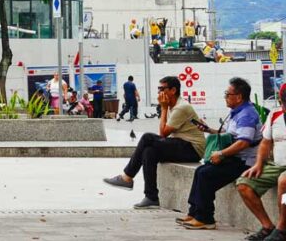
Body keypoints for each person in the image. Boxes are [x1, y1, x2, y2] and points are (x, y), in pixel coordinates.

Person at [102, 75, 204, 208]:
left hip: (192, 149)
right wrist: (165, 108)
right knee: (149, 152)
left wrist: (163, 108)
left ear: (173, 90)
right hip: (180, 143)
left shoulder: (181, 107)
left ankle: (127, 177)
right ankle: (151, 197)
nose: (159, 92)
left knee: (147, 137)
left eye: (162, 88)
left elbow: (163, 134)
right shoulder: (172, 105)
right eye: (158, 89)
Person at [178, 77, 261, 231]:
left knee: (206, 175)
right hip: (234, 158)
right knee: (200, 171)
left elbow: (244, 142)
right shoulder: (237, 112)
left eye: (227, 94)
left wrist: (221, 154)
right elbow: (228, 134)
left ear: (239, 97)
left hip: (244, 162)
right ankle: (195, 212)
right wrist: (208, 130)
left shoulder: (247, 115)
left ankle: (206, 219)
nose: (225, 97)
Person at [235, 83, 286, 240]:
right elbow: (265, 142)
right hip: (277, 164)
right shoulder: (275, 115)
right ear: (280, 101)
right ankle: (267, 226)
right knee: (244, 183)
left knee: (284, 182)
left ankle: (282, 229)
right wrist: (258, 164)